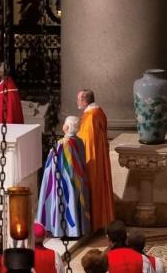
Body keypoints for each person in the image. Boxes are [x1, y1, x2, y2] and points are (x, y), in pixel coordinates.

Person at [37, 116, 90, 238]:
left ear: (66, 127)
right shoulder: (79, 141)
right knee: (74, 203)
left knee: (65, 202)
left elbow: (54, 165)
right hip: (78, 180)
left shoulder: (63, 143)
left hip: (65, 181)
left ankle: (64, 230)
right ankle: (77, 229)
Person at [77, 89, 114, 231]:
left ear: (85, 101)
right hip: (100, 156)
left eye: (78, 99)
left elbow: (87, 141)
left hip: (93, 159)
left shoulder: (91, 116)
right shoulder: (98, 111)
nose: (77, 102)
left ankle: (95, 223)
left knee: (93, 186)